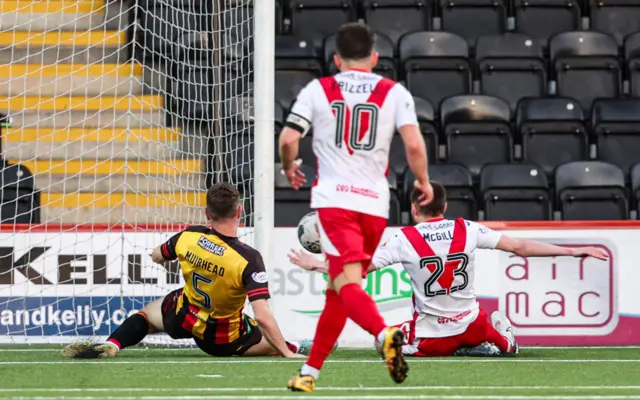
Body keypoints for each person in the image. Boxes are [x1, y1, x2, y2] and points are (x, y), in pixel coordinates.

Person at [278, 22, 433, 392]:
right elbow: (413, 145)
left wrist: (289, 166)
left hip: (335, 201)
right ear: (375, 57)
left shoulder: (319, 89)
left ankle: (384, 334)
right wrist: (423, 180)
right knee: (339, 288)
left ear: (336, 59)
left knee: (344, 283)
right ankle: (309, 373)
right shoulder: (394, 92)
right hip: (376, 205)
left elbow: (288, 138)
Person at [288, 181, 610, 358]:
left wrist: (316, 264)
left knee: (382, 343)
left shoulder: (404, 239)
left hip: (432, 337)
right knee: (505, 346)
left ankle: (473, 346)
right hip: (472, 324)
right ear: (444, 208)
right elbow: (520, 247)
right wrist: (573, 251)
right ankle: (501, 341)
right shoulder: (467, 229)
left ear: (414, 209)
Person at [62, 183, 308, 359]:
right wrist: (285, 353)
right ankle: (295, 347)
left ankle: (113, 343)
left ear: (207, 214)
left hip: (184, 314)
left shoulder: (190, 236)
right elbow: (264, 315)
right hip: (220, 338)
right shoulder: (248, 259)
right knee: (264, 337)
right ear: (240, 212)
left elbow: (158, 255)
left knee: (147, 316)